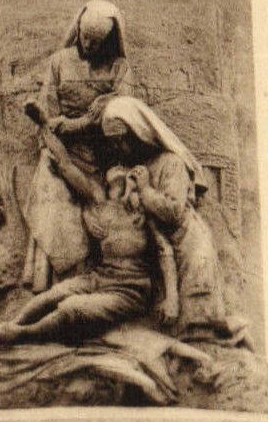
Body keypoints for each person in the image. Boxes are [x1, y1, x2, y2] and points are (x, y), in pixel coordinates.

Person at [0, 123, 153, 346]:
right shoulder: (100, 201)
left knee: (72, 307)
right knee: (53, 294)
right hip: (100, 277)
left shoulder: (142, 213)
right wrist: (44, 126)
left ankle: (23, 335)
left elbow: (164, 251)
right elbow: (65, 164)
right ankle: (14, 324)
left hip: (131, 290)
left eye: (124, 172)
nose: (118, 171)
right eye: (114, 170)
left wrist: (171, 298)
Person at [100, 95, 243, 344]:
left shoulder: (171, 163)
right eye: (113, 142)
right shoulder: (137, 168)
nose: (118, 147)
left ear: (138, 133)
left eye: (122, 139)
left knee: (196, 325)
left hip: (187, 245)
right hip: (161, 251)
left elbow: (174, 212)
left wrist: (145, 190)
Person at [21, 1, 133, 292]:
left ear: (109, 41)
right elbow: (49, 115)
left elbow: (125, 112)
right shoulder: (59, 62)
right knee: (54, 199)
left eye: (96, 42)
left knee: (106, 208)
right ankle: (51, 285)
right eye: (84, 37)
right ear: (78, 31)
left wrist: (92, 116)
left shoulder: (119, 68)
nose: (88, 45)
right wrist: (69, 126)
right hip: (61, 149)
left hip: (103, 155)